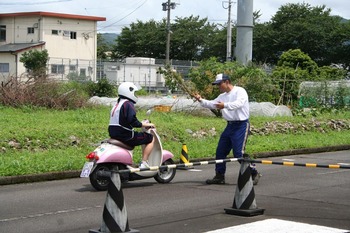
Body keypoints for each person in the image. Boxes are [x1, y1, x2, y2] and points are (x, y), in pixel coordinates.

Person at [194, 73, 261, 185]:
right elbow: (212, 104)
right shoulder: (222, 96)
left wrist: (225, 105)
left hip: (241, 125)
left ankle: (253, 172)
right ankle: (219, 176)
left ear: (227, 82)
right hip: (230, 125)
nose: (218, 87)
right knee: (220, 151)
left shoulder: (240, 91)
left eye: (219, 84)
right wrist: (200, 100)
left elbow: (238, 104)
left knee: (238, 153)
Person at [108, 82, 155, 169]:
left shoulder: (117, 104)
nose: (135, 95)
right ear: (129, 92)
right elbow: (133, 121)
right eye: (134, 92)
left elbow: (124, 120)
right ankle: (144, 163)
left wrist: (141, 124)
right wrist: (145, 124)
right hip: (125, 135)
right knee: (150, 138)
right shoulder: (128, 104)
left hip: (114, 134)